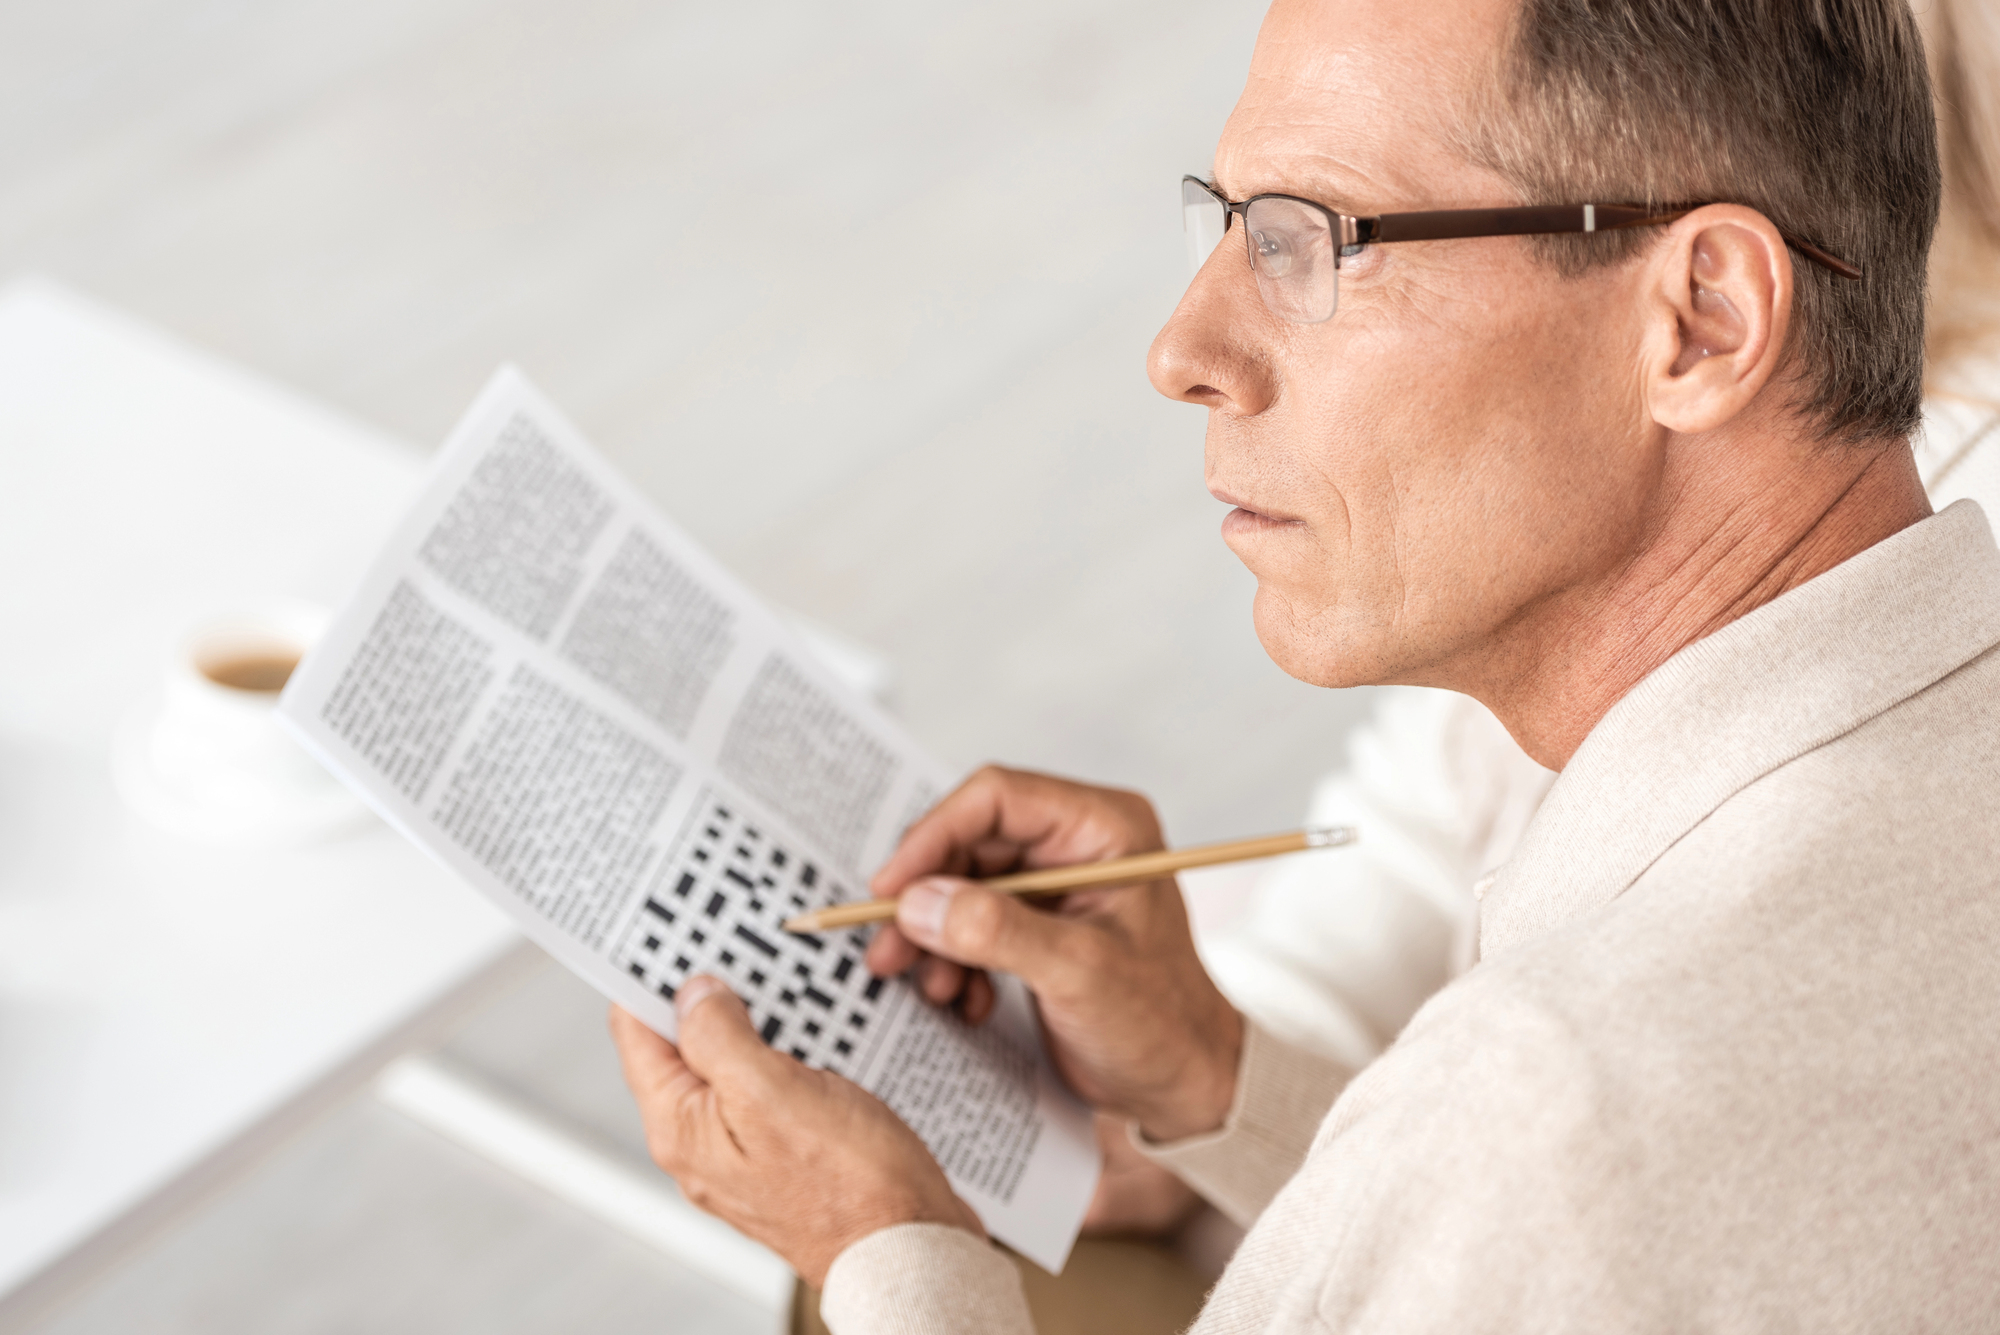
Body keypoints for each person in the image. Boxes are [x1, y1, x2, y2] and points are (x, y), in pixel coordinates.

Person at [609, 0, 2000, 1329]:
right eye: (1227, 227)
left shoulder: (1550, 1101)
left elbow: (1555, 1181)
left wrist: (885, 1251)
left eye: (1316, 239)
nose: (1182, 352)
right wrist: (1224, 1080)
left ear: (1700, 322)